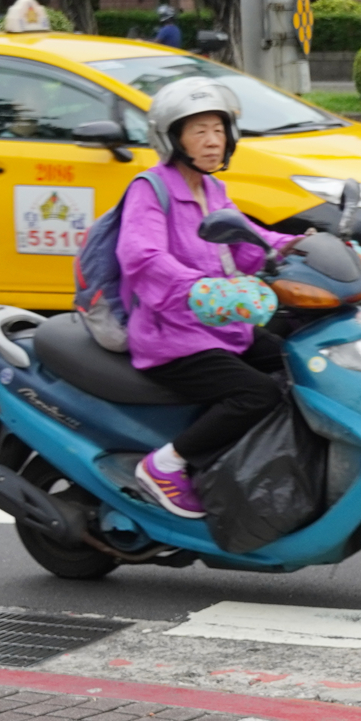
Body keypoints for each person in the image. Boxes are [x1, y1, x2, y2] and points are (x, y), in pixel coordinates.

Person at [118, 78, 299, 517]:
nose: (212, 141)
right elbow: (140, 257)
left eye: (218, 130)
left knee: (298, 360)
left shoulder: (212, 189)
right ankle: (165, 465)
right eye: (198, 131)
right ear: (173, 137)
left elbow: (247, 241)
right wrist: (197, 288)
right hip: (172, 336)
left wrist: (301, 248)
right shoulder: (151, 188)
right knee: (256, 394)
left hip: (218, 325)